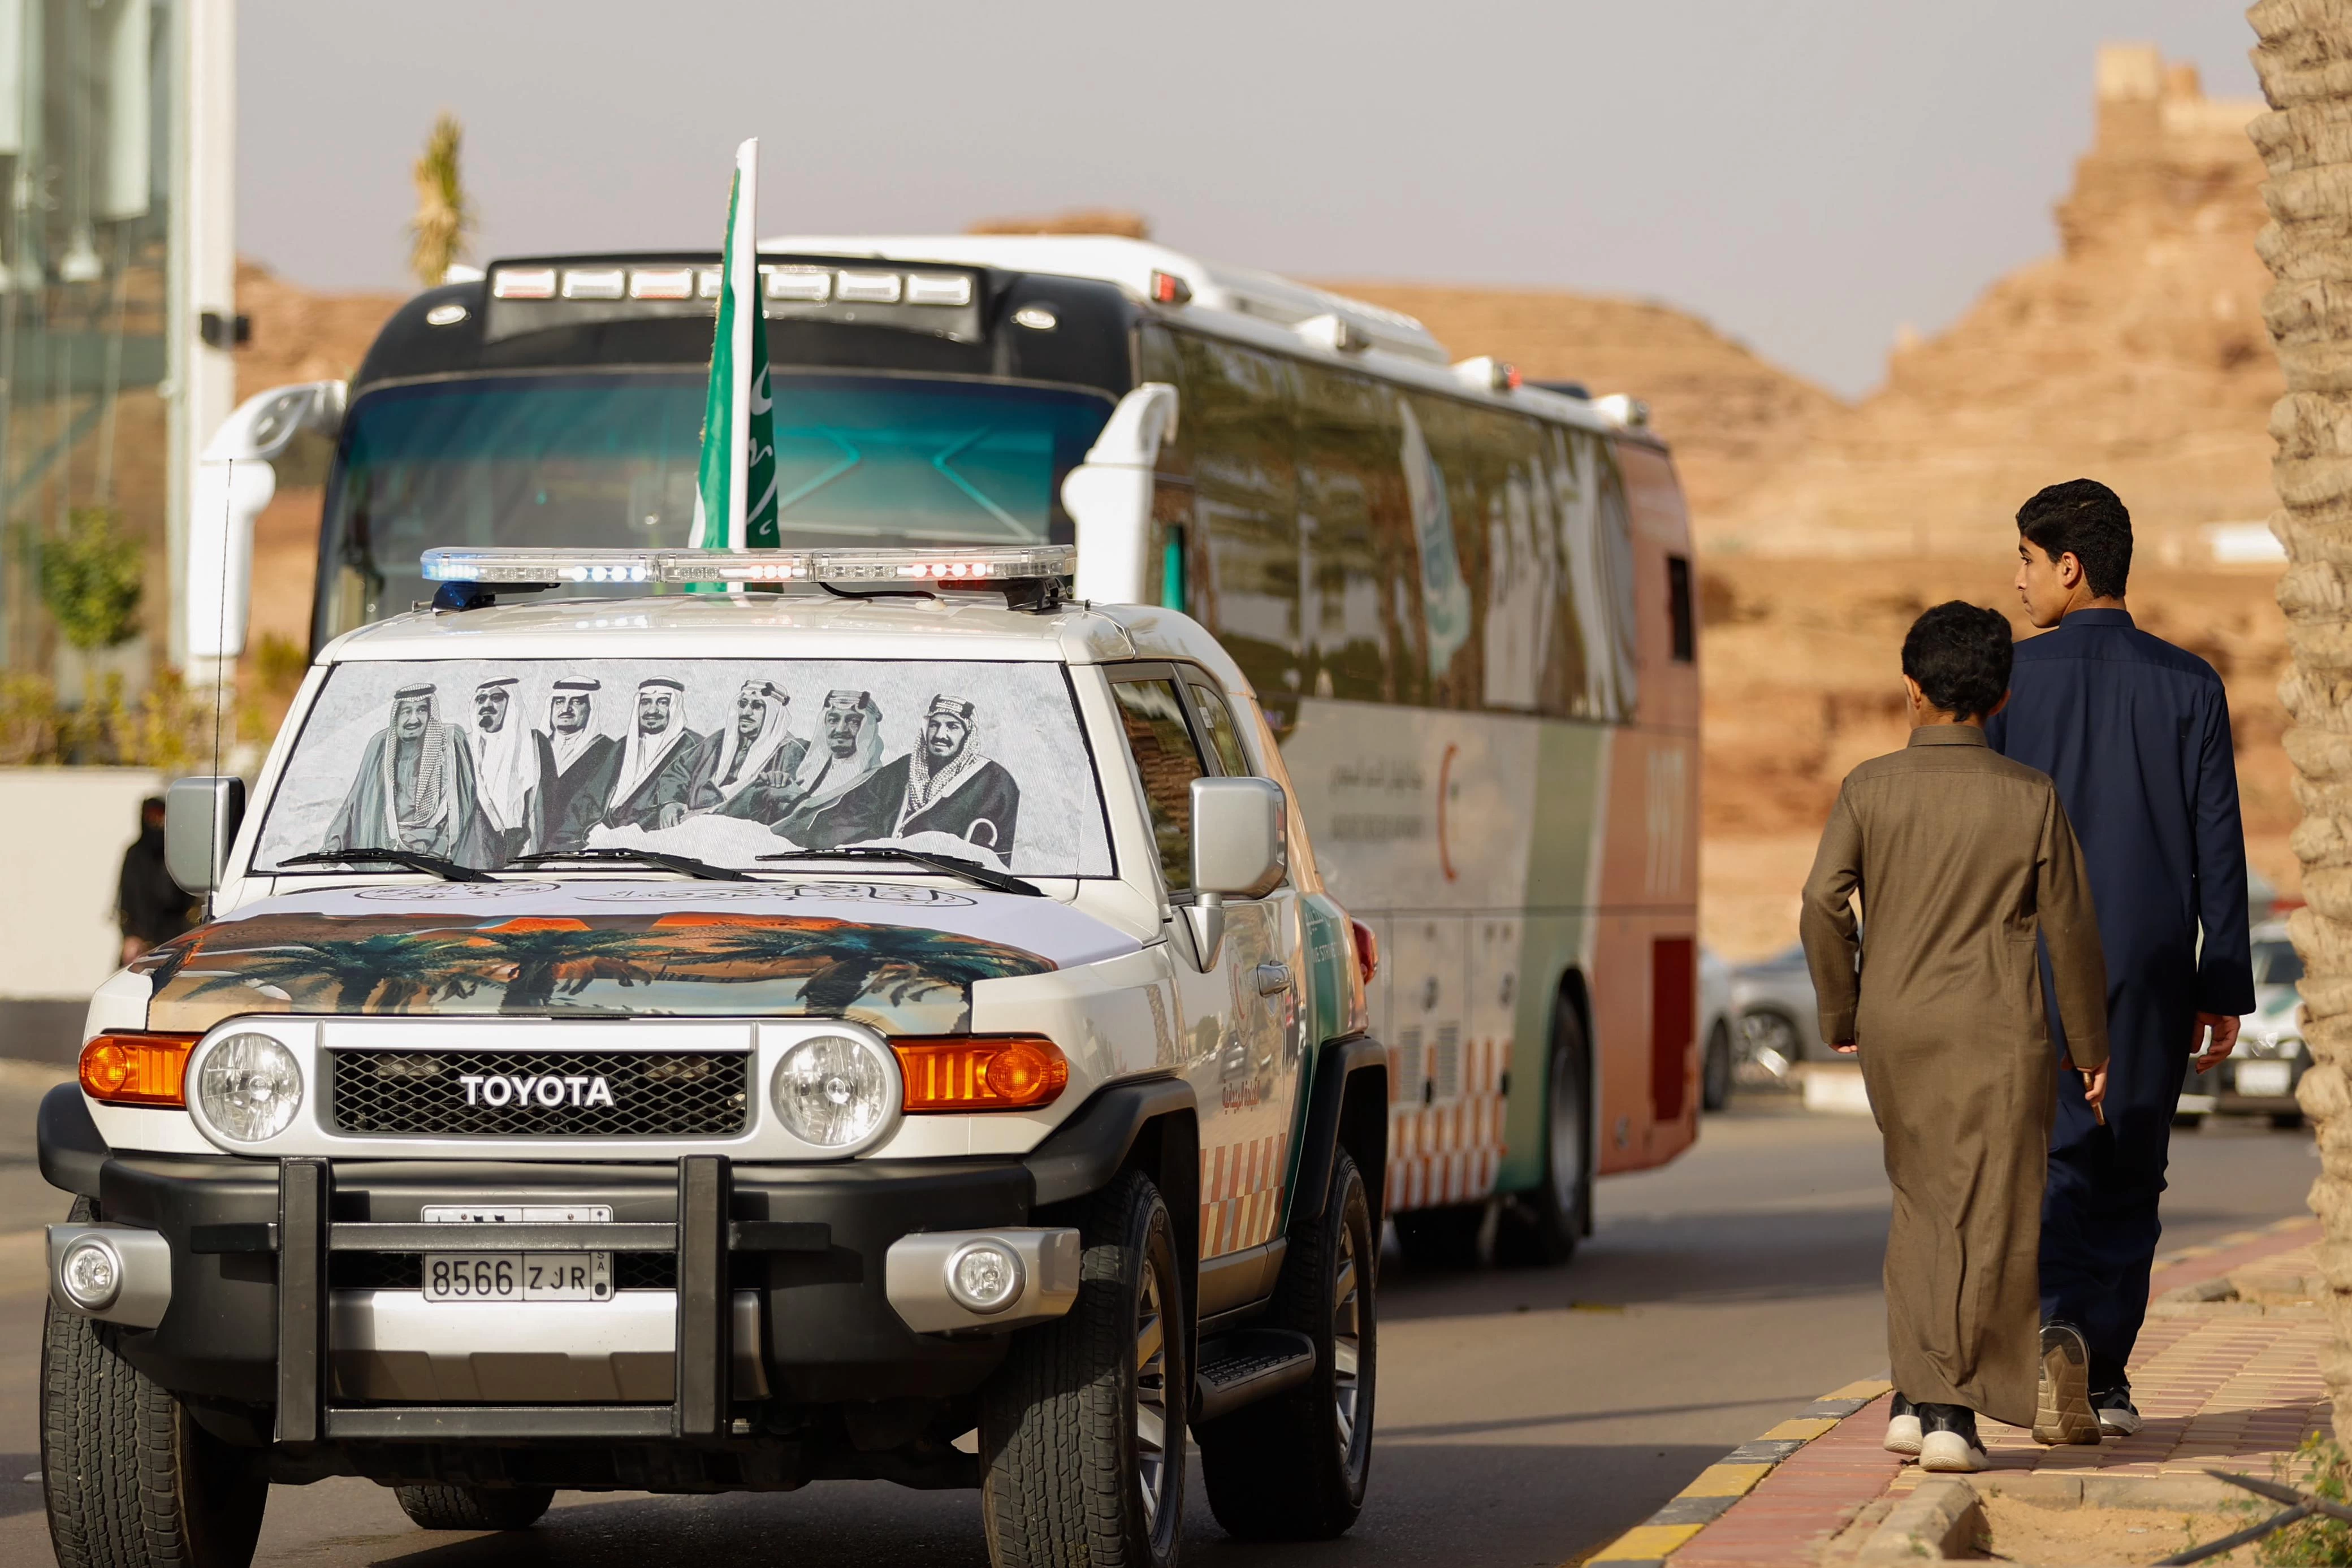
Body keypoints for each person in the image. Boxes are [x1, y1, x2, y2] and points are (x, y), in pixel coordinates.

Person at [1801, 601, 2109, 1473]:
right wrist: (2091, 1046)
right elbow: (2072, 930)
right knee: (1993, 1213)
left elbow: (1823, 901)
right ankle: (1950, 1413)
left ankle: (1911, 1397)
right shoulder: (2031, 795)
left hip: (1896, 1024)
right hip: (1998, 1028)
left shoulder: (1868, 786)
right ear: (2001, 696)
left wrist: (1843, 1008)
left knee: (1922, 1201)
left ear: (1911, 690)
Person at [1984, 479, 2256, 1438]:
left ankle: (2056, 1321)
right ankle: (2102, 1370)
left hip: (2034, 961)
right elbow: (2217, 843)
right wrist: (2223, 976)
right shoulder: (2191, 683)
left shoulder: (2011, 683)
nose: (2016, 580)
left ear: (2070, 565)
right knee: (2133, 1161)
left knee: (2055, 1153)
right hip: (2150, 958)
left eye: (2025, 558)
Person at [808, 693, 1022, 854]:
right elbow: (852, 812)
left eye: (952, 727)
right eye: (935, 725)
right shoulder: (904, 768)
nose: (940, 735)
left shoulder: (995, 782)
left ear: (967, 736)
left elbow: (998, 858)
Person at [324, 683, 494, 864]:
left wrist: (438, 849)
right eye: (406, 712)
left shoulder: (451, 740)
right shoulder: (381, 744)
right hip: (386, 849)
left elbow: (464, 802)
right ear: (396, 715)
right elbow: (357, 799)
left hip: (441, 854)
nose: (414, 719)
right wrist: (335, 843)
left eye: (421, 710)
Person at [756, 690, 887, 843]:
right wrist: (773, 793)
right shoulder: (815, 770)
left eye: (854, 722)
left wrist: (798, 797)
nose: (840, 730)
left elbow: (840, 831)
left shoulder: (876, 784)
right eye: (833, 720)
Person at [529, 677, 621, 854]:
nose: (565, 709)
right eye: (559, 702)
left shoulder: (609, 751)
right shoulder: (533, 748)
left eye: (577, 702)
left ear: (591, 709)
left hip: (576, 850)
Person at [603, 677, 708, 831]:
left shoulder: (696, 745)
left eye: (662, 702)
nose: (652, 710)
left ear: (675, 706)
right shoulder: (622, 746)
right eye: (646, 702)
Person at [698, 678, 806, 815]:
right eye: (743, 704)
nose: (746, 712)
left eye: (757, 706)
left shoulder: (792, 751)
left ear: (773, 714)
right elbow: (680, 771)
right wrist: (670, 803)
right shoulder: (721, 739)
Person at [116, 796, 194, 964]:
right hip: (141, 943)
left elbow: (190, 899)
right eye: (152, 817)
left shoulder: (179, 853)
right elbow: (127, 899)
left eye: (161, 816)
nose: (157, 822)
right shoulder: (136, 854)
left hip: (176, 940)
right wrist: (130, 936)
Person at [465, 676, 535, 861]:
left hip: (519, 848)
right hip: (474, 848)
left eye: (496, 698)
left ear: (511, 705)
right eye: (481, 699)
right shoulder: (463, 746)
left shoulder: (531, 746)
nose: (487, 705)